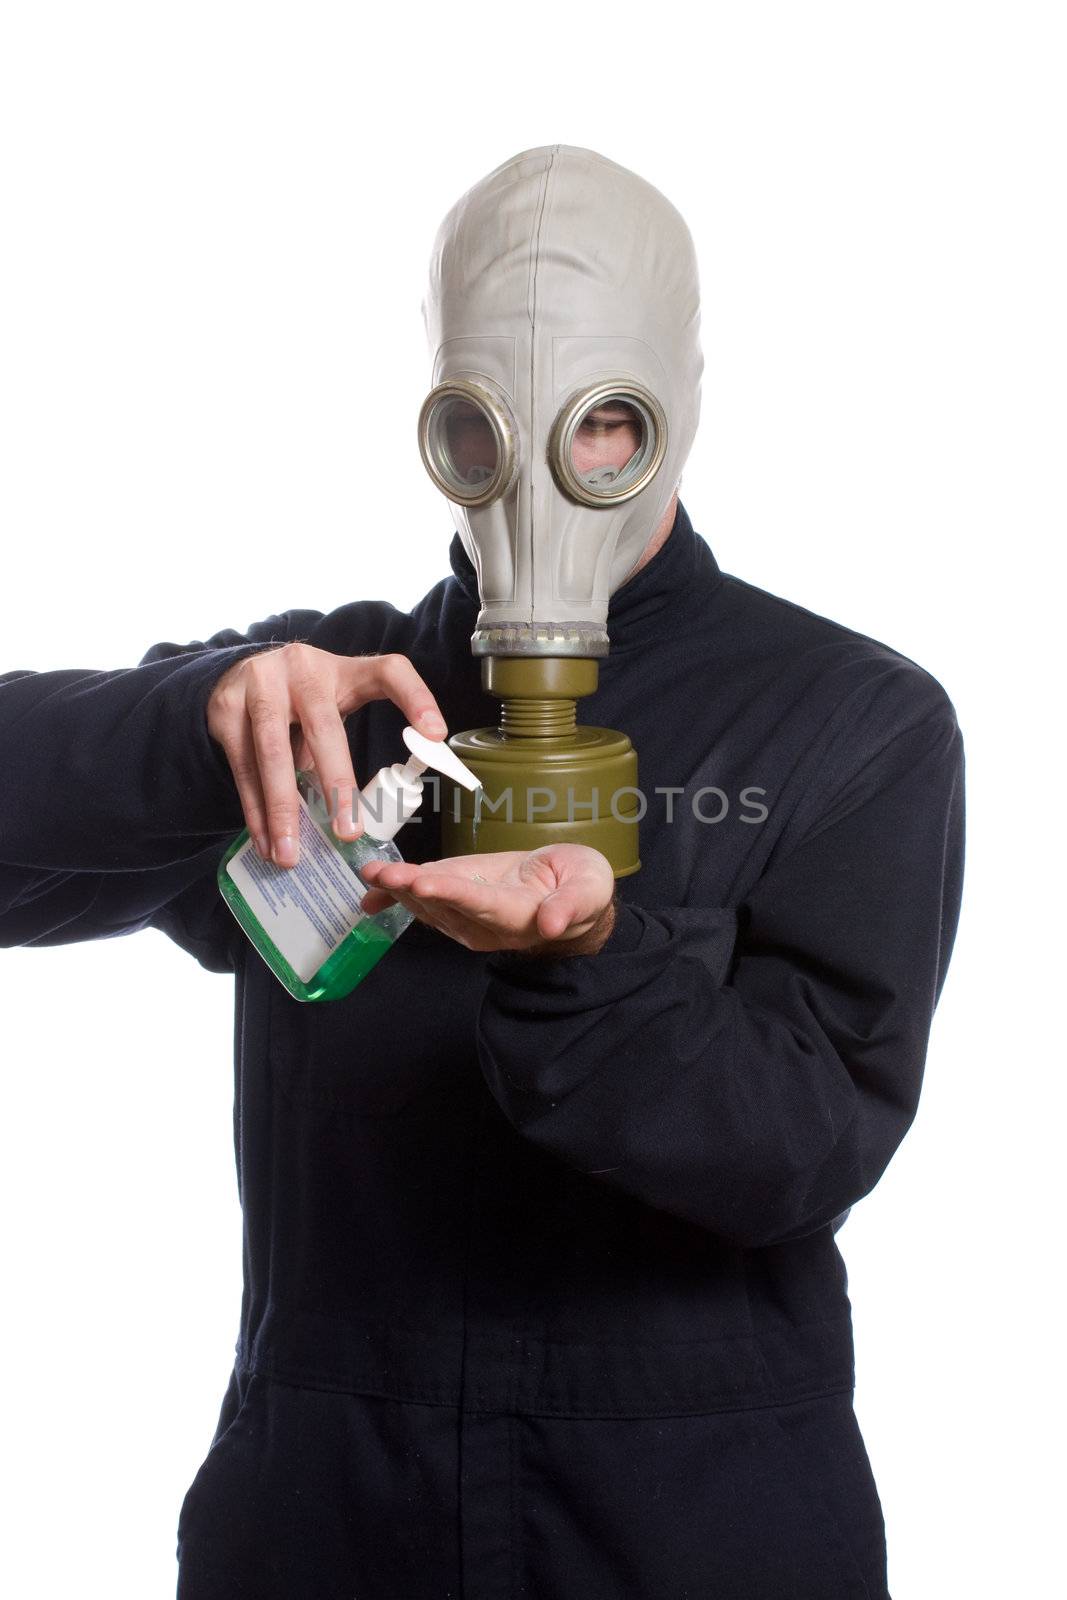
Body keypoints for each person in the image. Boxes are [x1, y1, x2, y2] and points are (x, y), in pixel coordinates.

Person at [1, 146, 965, 1599]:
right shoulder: (320, 704)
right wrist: (192, 729)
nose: (541, 477)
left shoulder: (852, 721)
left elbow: (809, 1147)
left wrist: (588, 964)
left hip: (691, 1535)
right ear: (439, 424)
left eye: (602, 425)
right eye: (483, 430)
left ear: (674, 408)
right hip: (322, 1523)